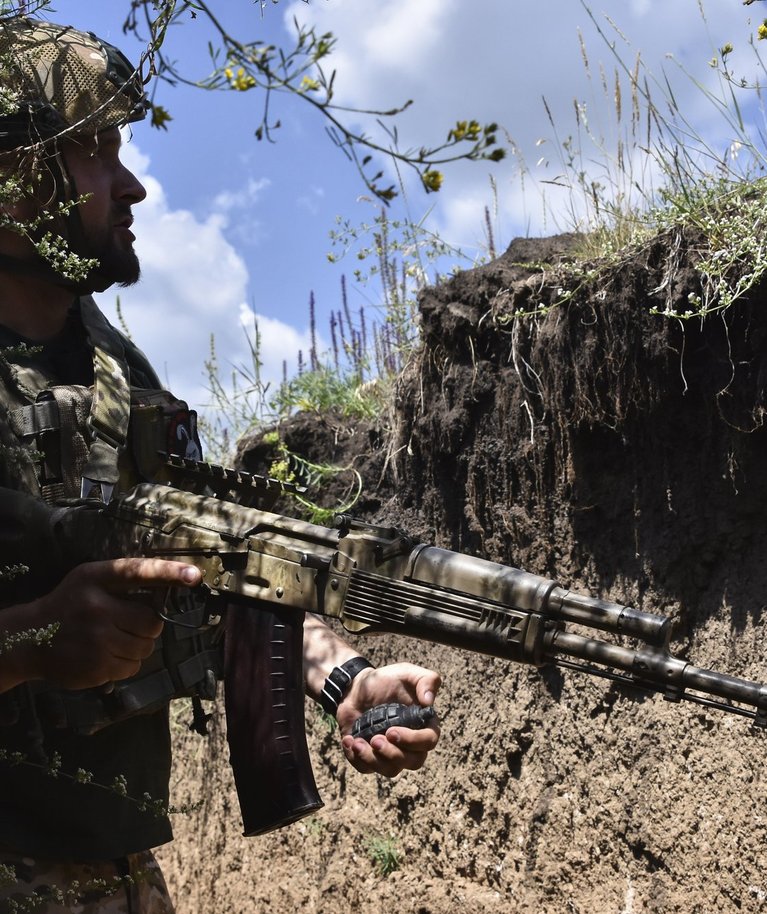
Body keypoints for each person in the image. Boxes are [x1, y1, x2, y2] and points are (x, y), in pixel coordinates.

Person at [0, 17, 441, 913]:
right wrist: (34, 638)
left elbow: (209, 578)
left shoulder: (120, 376)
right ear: (12, 176)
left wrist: (340, 675)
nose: (131, 186)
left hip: (105, 873)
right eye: (91, 153)